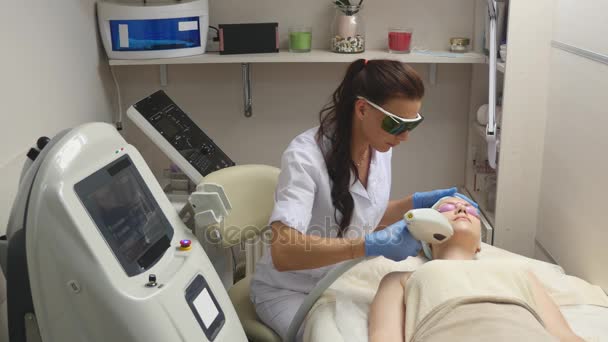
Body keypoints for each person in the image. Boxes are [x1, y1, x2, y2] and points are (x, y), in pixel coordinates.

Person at [250, 58, 476, 340]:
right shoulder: (304, 157)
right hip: (291, 291)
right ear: (362, 109)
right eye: (396, 124)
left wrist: (414, 204)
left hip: (341, 278)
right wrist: (369, 245)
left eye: (412, 124)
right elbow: (284, 252)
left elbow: (360, 215)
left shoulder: (380, 146)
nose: (404, 137)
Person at [368, 196, 584, 342]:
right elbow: (385, 338)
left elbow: (564, 336)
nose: (462, 208)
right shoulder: (401, 279)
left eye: (471, 210)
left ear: (480, 243)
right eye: (446, 208)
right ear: (427, 232)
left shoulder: (519, 271)